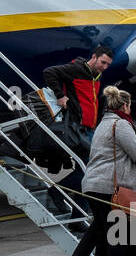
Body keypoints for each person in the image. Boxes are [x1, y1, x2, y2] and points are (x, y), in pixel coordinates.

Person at [78, 85, 136, 256]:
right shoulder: (121, 125)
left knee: (103, 237)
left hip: (93, 185)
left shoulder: (104, 123)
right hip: (110, 188)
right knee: (118, 237)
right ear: (125, 105)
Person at [45, 46, 113, 217]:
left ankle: (78, 214)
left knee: (89, 171)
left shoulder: (96, 75)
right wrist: (60, 95)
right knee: (90, 170)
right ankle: (58, 193)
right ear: (94, 57)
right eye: (102, 62)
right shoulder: (76, 69)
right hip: (77, 128)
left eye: (107, 65)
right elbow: (49, 72)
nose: (104, 67)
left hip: (90, 128)